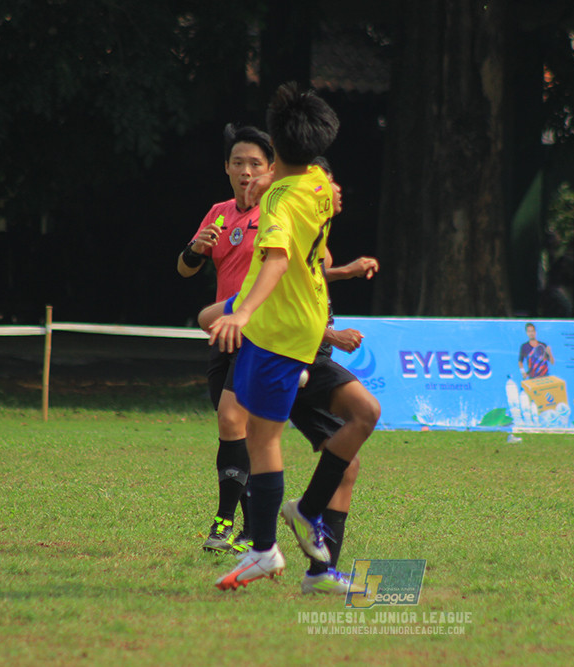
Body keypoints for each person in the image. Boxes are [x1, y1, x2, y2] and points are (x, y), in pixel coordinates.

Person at [198, 157, 380, 594]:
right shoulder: (275, 248)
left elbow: (310, 274)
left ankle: (316, 568)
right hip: (286, 361)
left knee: (352, 452)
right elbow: (212, 312)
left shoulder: (309, 240)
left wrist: (342, 282)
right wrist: (237, 312)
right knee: (268, 442)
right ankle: (263, 543)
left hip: (308, 357)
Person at [206, 82, 344, 591]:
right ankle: (283, 543)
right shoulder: (318, 185)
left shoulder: (280, 203)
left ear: (274, 151)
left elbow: (277, 260)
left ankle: (267, 547)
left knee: (262, 439)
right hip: (307, 324)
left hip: (276, 329)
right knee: (247, 421)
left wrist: (243, 313)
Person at [177, 124, 275, 554]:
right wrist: (196, 249)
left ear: (271, 169)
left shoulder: (277, 213)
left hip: (260, 332)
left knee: (232, 420)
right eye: (239, 163)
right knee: (235, 430)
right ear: (227, 168)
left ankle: (222, 524)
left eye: (255, 163)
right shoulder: (218, 212)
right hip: (223, 334)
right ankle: (253, 531)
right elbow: (184, 270)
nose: (246, 171)